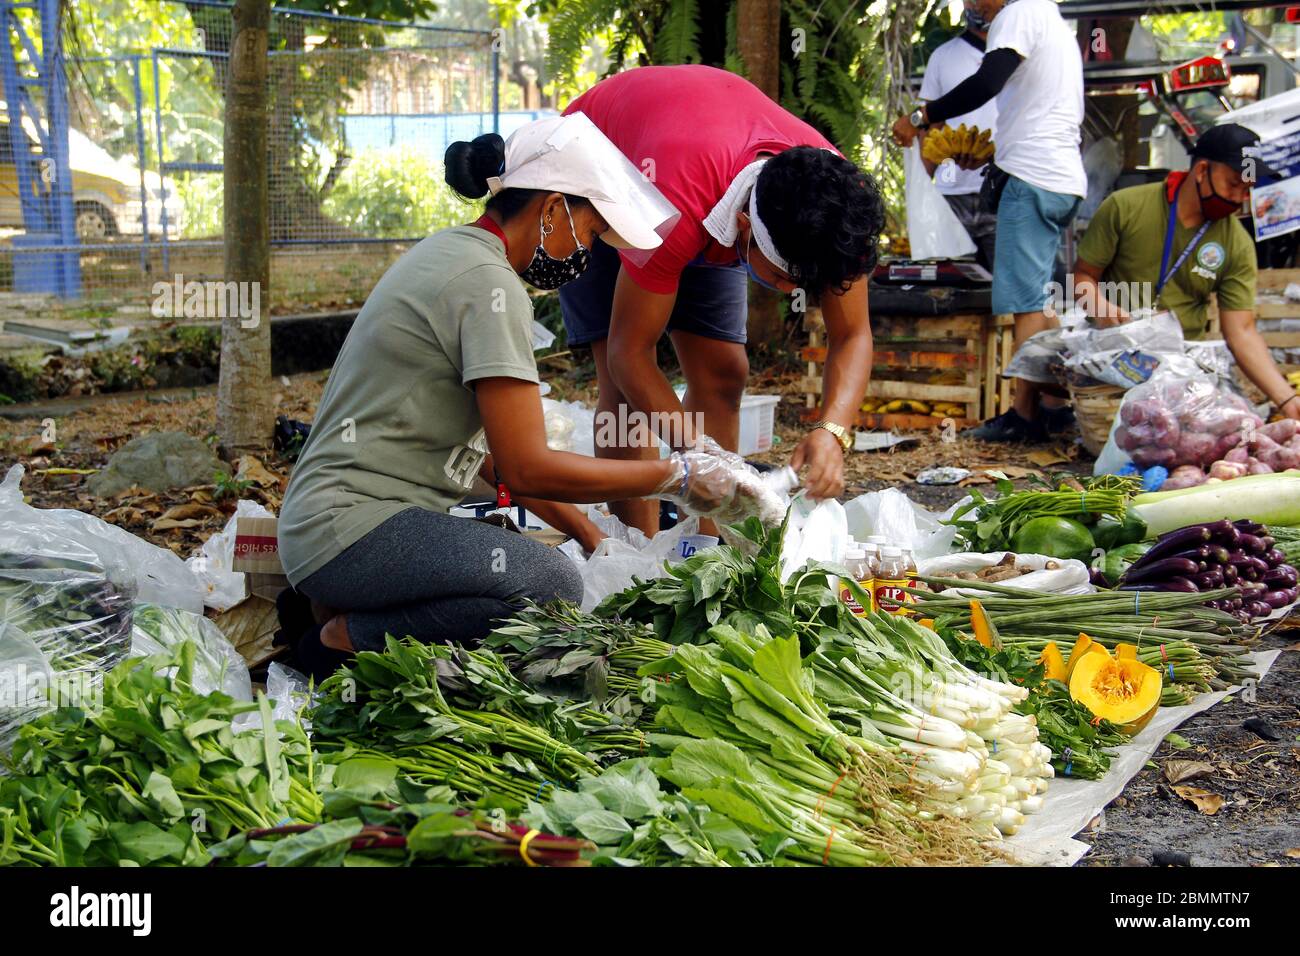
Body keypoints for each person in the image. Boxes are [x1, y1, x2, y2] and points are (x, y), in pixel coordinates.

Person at [276, 114, 776, 680]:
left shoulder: (454, 253)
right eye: (589, 234)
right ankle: (341, 638)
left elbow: (485, 460)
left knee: (531, 564)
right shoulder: (489, 286)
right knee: (548, 583)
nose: (587, 254)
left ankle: (336, 604)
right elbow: (528, 466)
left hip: (328, 527)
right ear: (552, 209)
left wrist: (591, 535)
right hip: (351, 528)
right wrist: (677, 477)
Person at [557, 65, 886, 536]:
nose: (795, 294)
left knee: (723, 371)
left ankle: (708, 554)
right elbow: (630, 355)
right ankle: (634, 553)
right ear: (746, 232)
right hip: (600, 173)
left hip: (696, 165)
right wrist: (701, 455)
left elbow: (853, 334)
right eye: (785, 279)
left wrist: (833, 431)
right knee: (623, 391)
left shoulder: (837, 210)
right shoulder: (677, 212)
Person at [893, 0, 1086, 442]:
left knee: (1025, 305)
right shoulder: (1052, 19)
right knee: (1040, 302)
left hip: (1033, 177)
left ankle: (1023, 417)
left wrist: (922, 116)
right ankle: (1056, 406)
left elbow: (987, 81)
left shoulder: (1018, 13)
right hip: (1060, 178)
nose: (972, 5)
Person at [1073, 124, 1299, 421]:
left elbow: (1242, 330)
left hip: (1182, 364)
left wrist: (1286, 399)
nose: (1238, 198)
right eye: (1233, 184)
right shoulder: (1125, 206)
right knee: (1041, 355)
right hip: (1114, 351)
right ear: (1202, 170)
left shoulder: (1238, 243)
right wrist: (1099, 306)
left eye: (1247, 190)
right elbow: (1082, 277)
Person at [918, 2, 1000, 269]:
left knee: (1009, 285)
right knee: (953, 283)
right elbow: (932, 126)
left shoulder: (1014, 56)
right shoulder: (942, 57)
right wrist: (922, 189)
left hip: (1001, 191)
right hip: (951, 192)